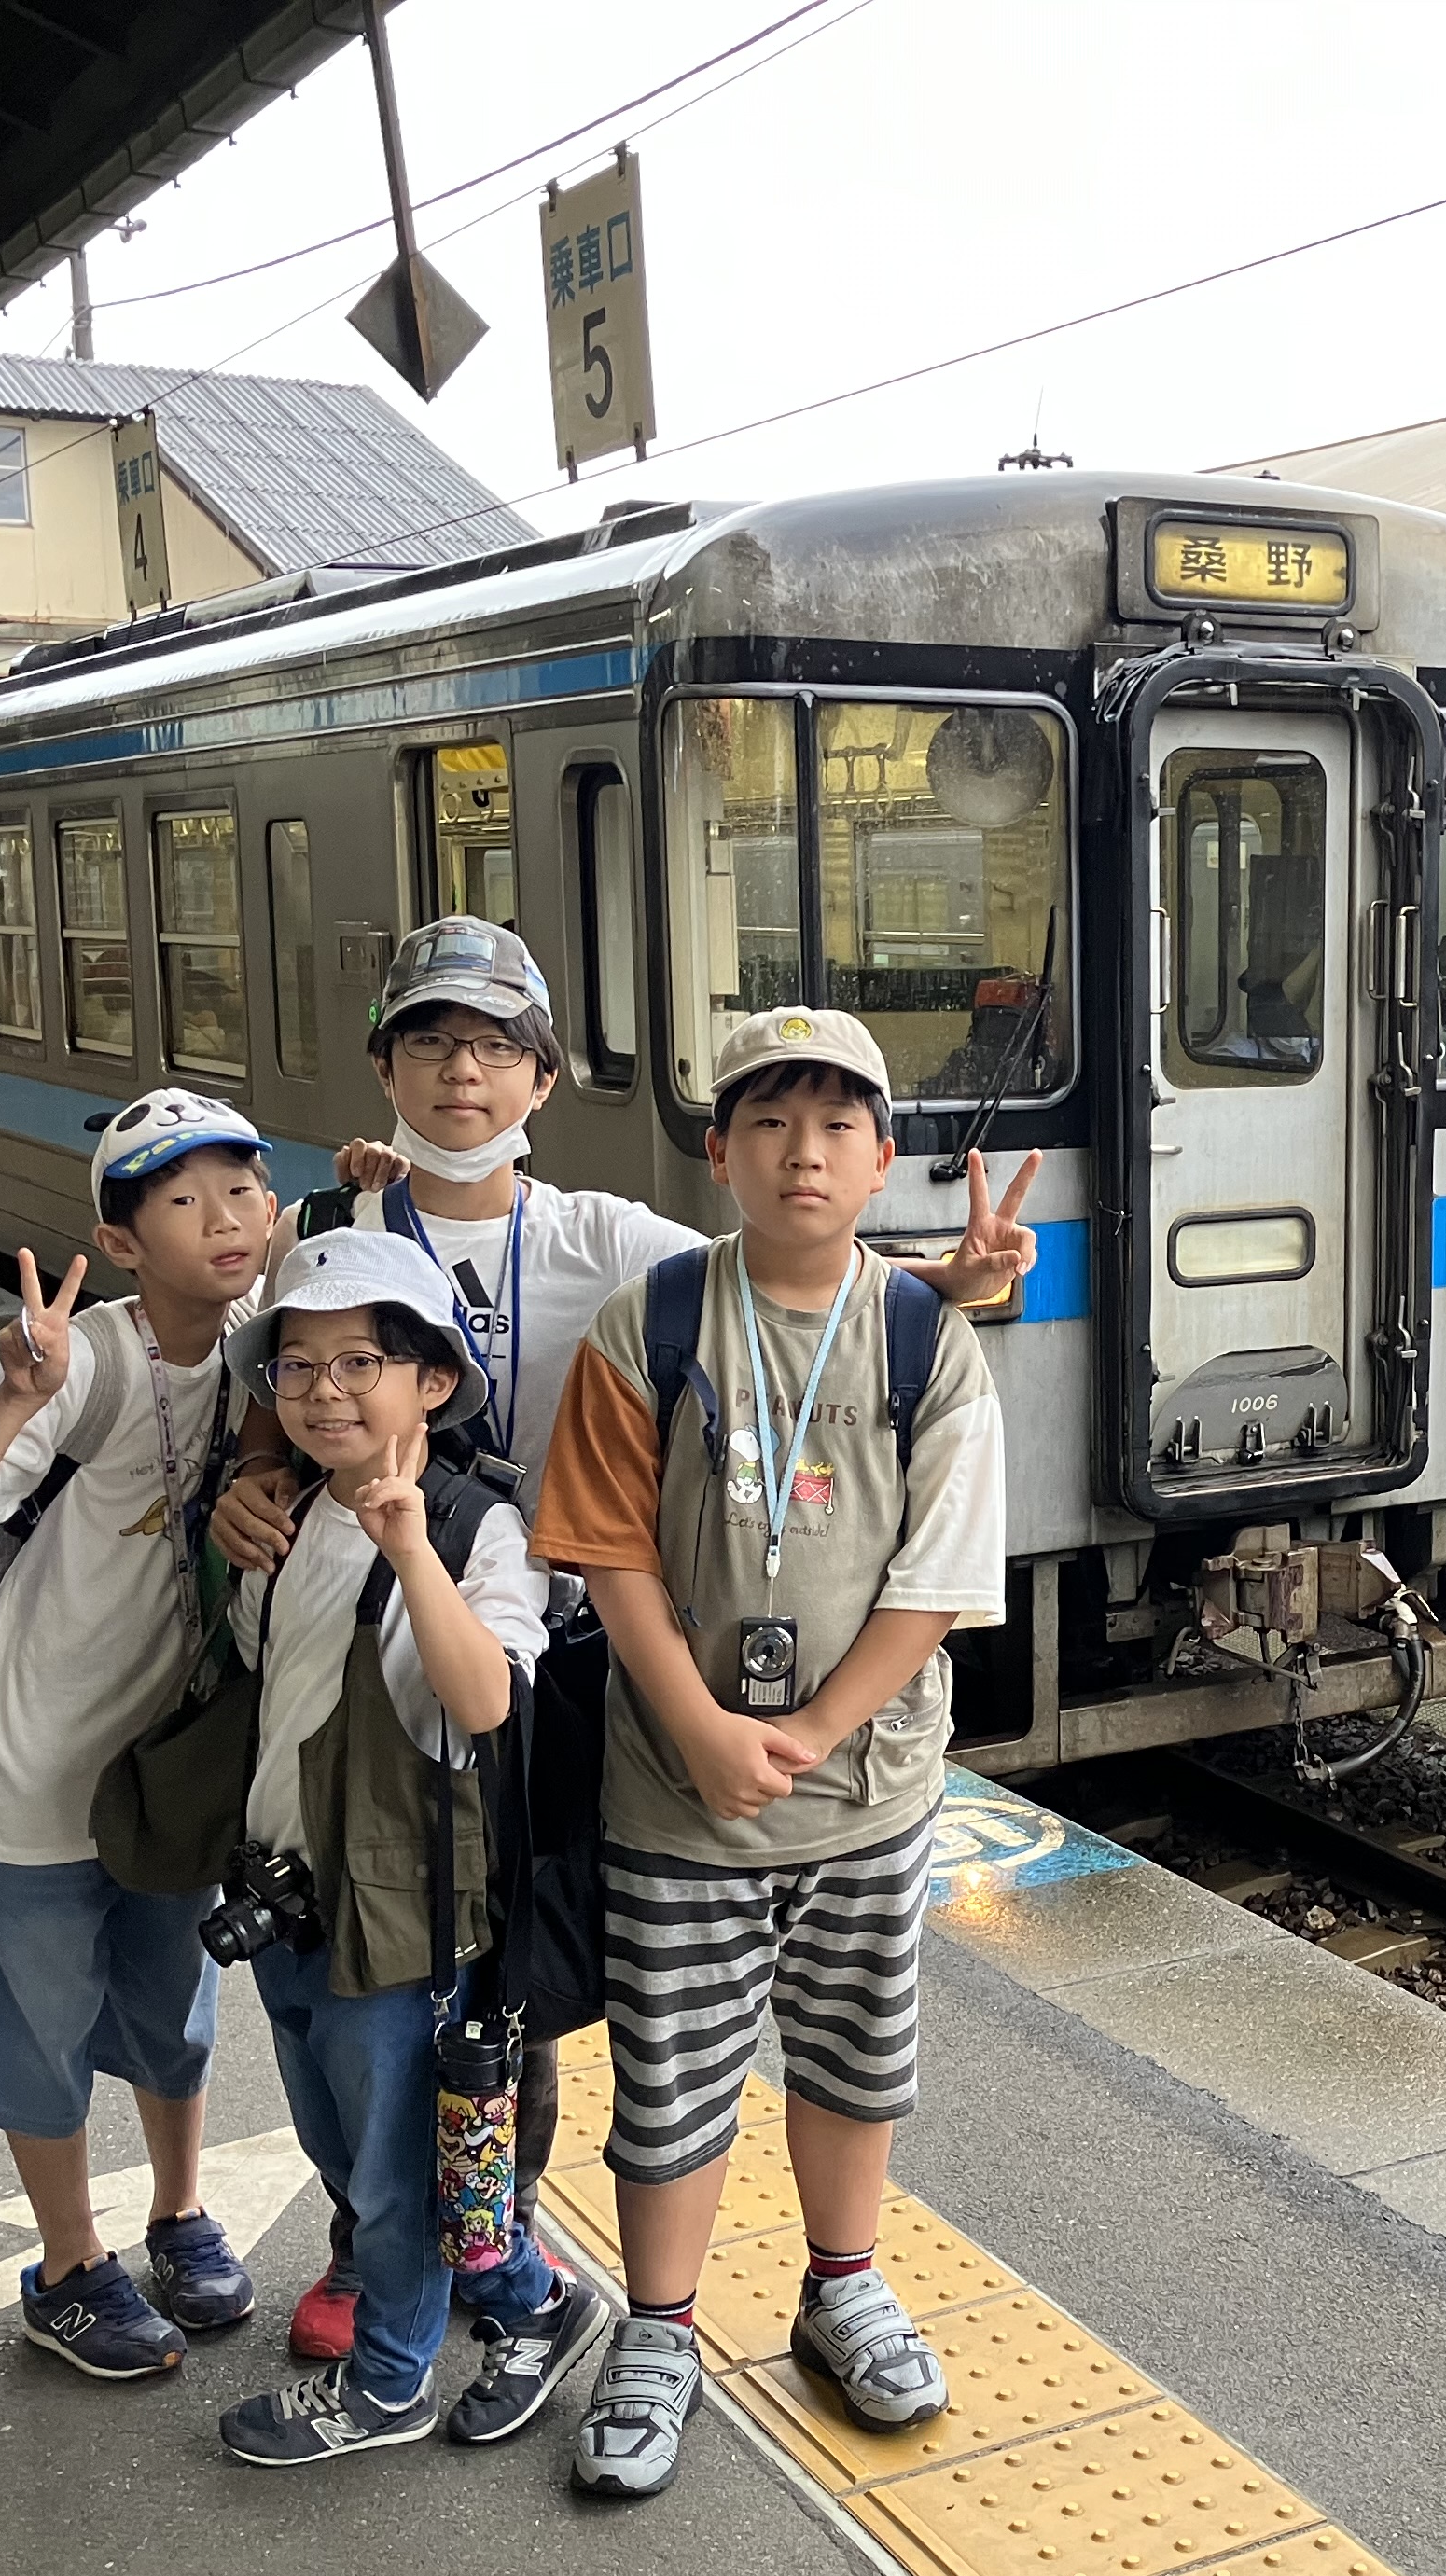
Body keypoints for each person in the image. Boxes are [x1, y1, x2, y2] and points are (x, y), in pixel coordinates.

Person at [209, 916, 1036, 2378]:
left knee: (510, 1967)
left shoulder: (602, 1239)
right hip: (399, 1628)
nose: (462, 1074)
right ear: (384, 1066)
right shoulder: (324, 1226)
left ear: (542, 1078)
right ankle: (382, 2235)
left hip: (567, 1655)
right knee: (387, 1957)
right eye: (429, 1044)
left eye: (496, 1048)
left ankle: (495, 2234)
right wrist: (256, 1473)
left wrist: (950, 1280)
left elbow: (785, 1262)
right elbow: (274, 1381)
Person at [531, 1006, 1007, 2500]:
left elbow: (938, 1579)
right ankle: (660, 2327)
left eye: (836, 1126)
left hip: (866, 1793)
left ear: (880, 1159)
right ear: (720, 1152)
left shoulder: (925, 1339)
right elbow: (609, 1549)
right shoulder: (653, 1324)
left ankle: (841, 2288)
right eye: (771, 1123)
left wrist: (804, 1731)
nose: (804, 1153)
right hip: (677, 1798)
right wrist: (698, 1726)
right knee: (670, 2076)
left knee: (858, 2058)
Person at [0, 1092, 275, 2382]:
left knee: (175, 2012)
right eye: (183, 1200)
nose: (223, 1219)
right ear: (119, 1244)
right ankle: (65, 2266)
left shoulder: (276, 1351)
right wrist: (11, 1398)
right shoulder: (87, 1362)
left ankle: (179, 2213)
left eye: (242, 1189)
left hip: (167, 1770)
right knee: (41, 2034)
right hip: (37, 1764)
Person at [212, 1227, 584, 2466]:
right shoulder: (288, 1515)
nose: (325, 1392)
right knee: (351, 2150)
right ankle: (537, 2304)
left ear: (432, 1381)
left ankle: (387, 2384)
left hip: (406, 1921)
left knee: (392, 2176)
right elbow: (267, 1683)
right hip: (292, 1904)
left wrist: (411, 1548)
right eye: (298, 1367)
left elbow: (485, 1702)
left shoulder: (479, 1531)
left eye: (359, 1363)